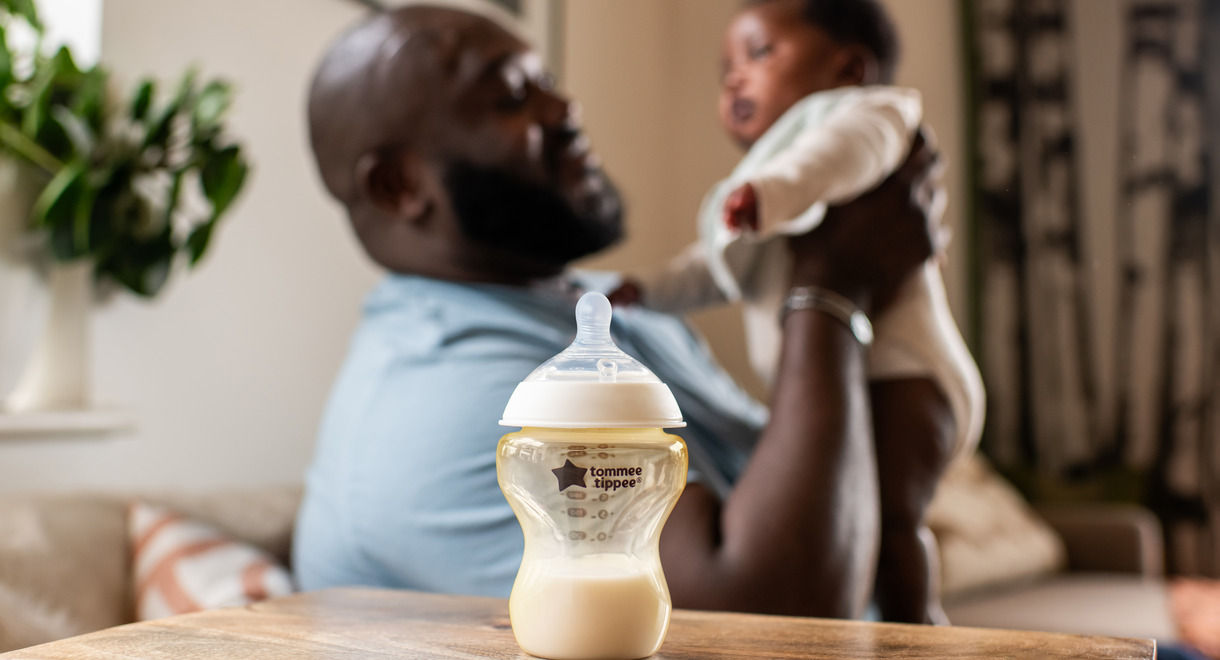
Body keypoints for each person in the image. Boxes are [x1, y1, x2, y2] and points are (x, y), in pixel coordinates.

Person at [293, 3, 948, 620]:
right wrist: (829, 284)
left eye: (545, 80)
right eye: (513, 97)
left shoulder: (608, 308)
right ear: (399, 185)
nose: (566, 106)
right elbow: (763, 625)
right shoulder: (454, 399)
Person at [612, 0, 981, 623]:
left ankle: (921, 631)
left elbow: (842, 156)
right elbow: (712, 267)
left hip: (909, 378)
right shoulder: (767, 180)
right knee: (881, 523)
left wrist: (772, 194)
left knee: (893, 522)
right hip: (866, 380)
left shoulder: (869, 114)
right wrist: (649, 291)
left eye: (759, 54)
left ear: (848, 68)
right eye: (725, 67)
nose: (734, 77)